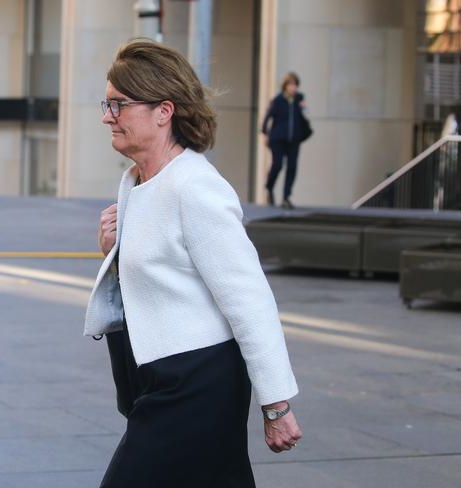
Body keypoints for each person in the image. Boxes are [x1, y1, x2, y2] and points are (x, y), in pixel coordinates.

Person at [85, 39, 302, 488]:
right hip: (157, 378)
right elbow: (164, 274)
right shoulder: (139, 181)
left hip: (197, 384)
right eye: (107, 103)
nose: (107, 115)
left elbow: (250, 301)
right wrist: (114, 250)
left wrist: (276, 404)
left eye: (119, 104)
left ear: (163, 111)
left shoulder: (196, 188)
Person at [262, 72, 310, 209]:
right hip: (278, 138)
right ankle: (269, 188)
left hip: (294, 139)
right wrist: (265, 134)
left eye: (295, 84)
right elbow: (267, 118)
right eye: (291, 84)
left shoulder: (299, 99)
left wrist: (304, 109)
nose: (293, 87)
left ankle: (286, 197)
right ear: (285, 86)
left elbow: (305, 115)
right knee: (277, 164)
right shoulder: (277, 100)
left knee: (292, 167)